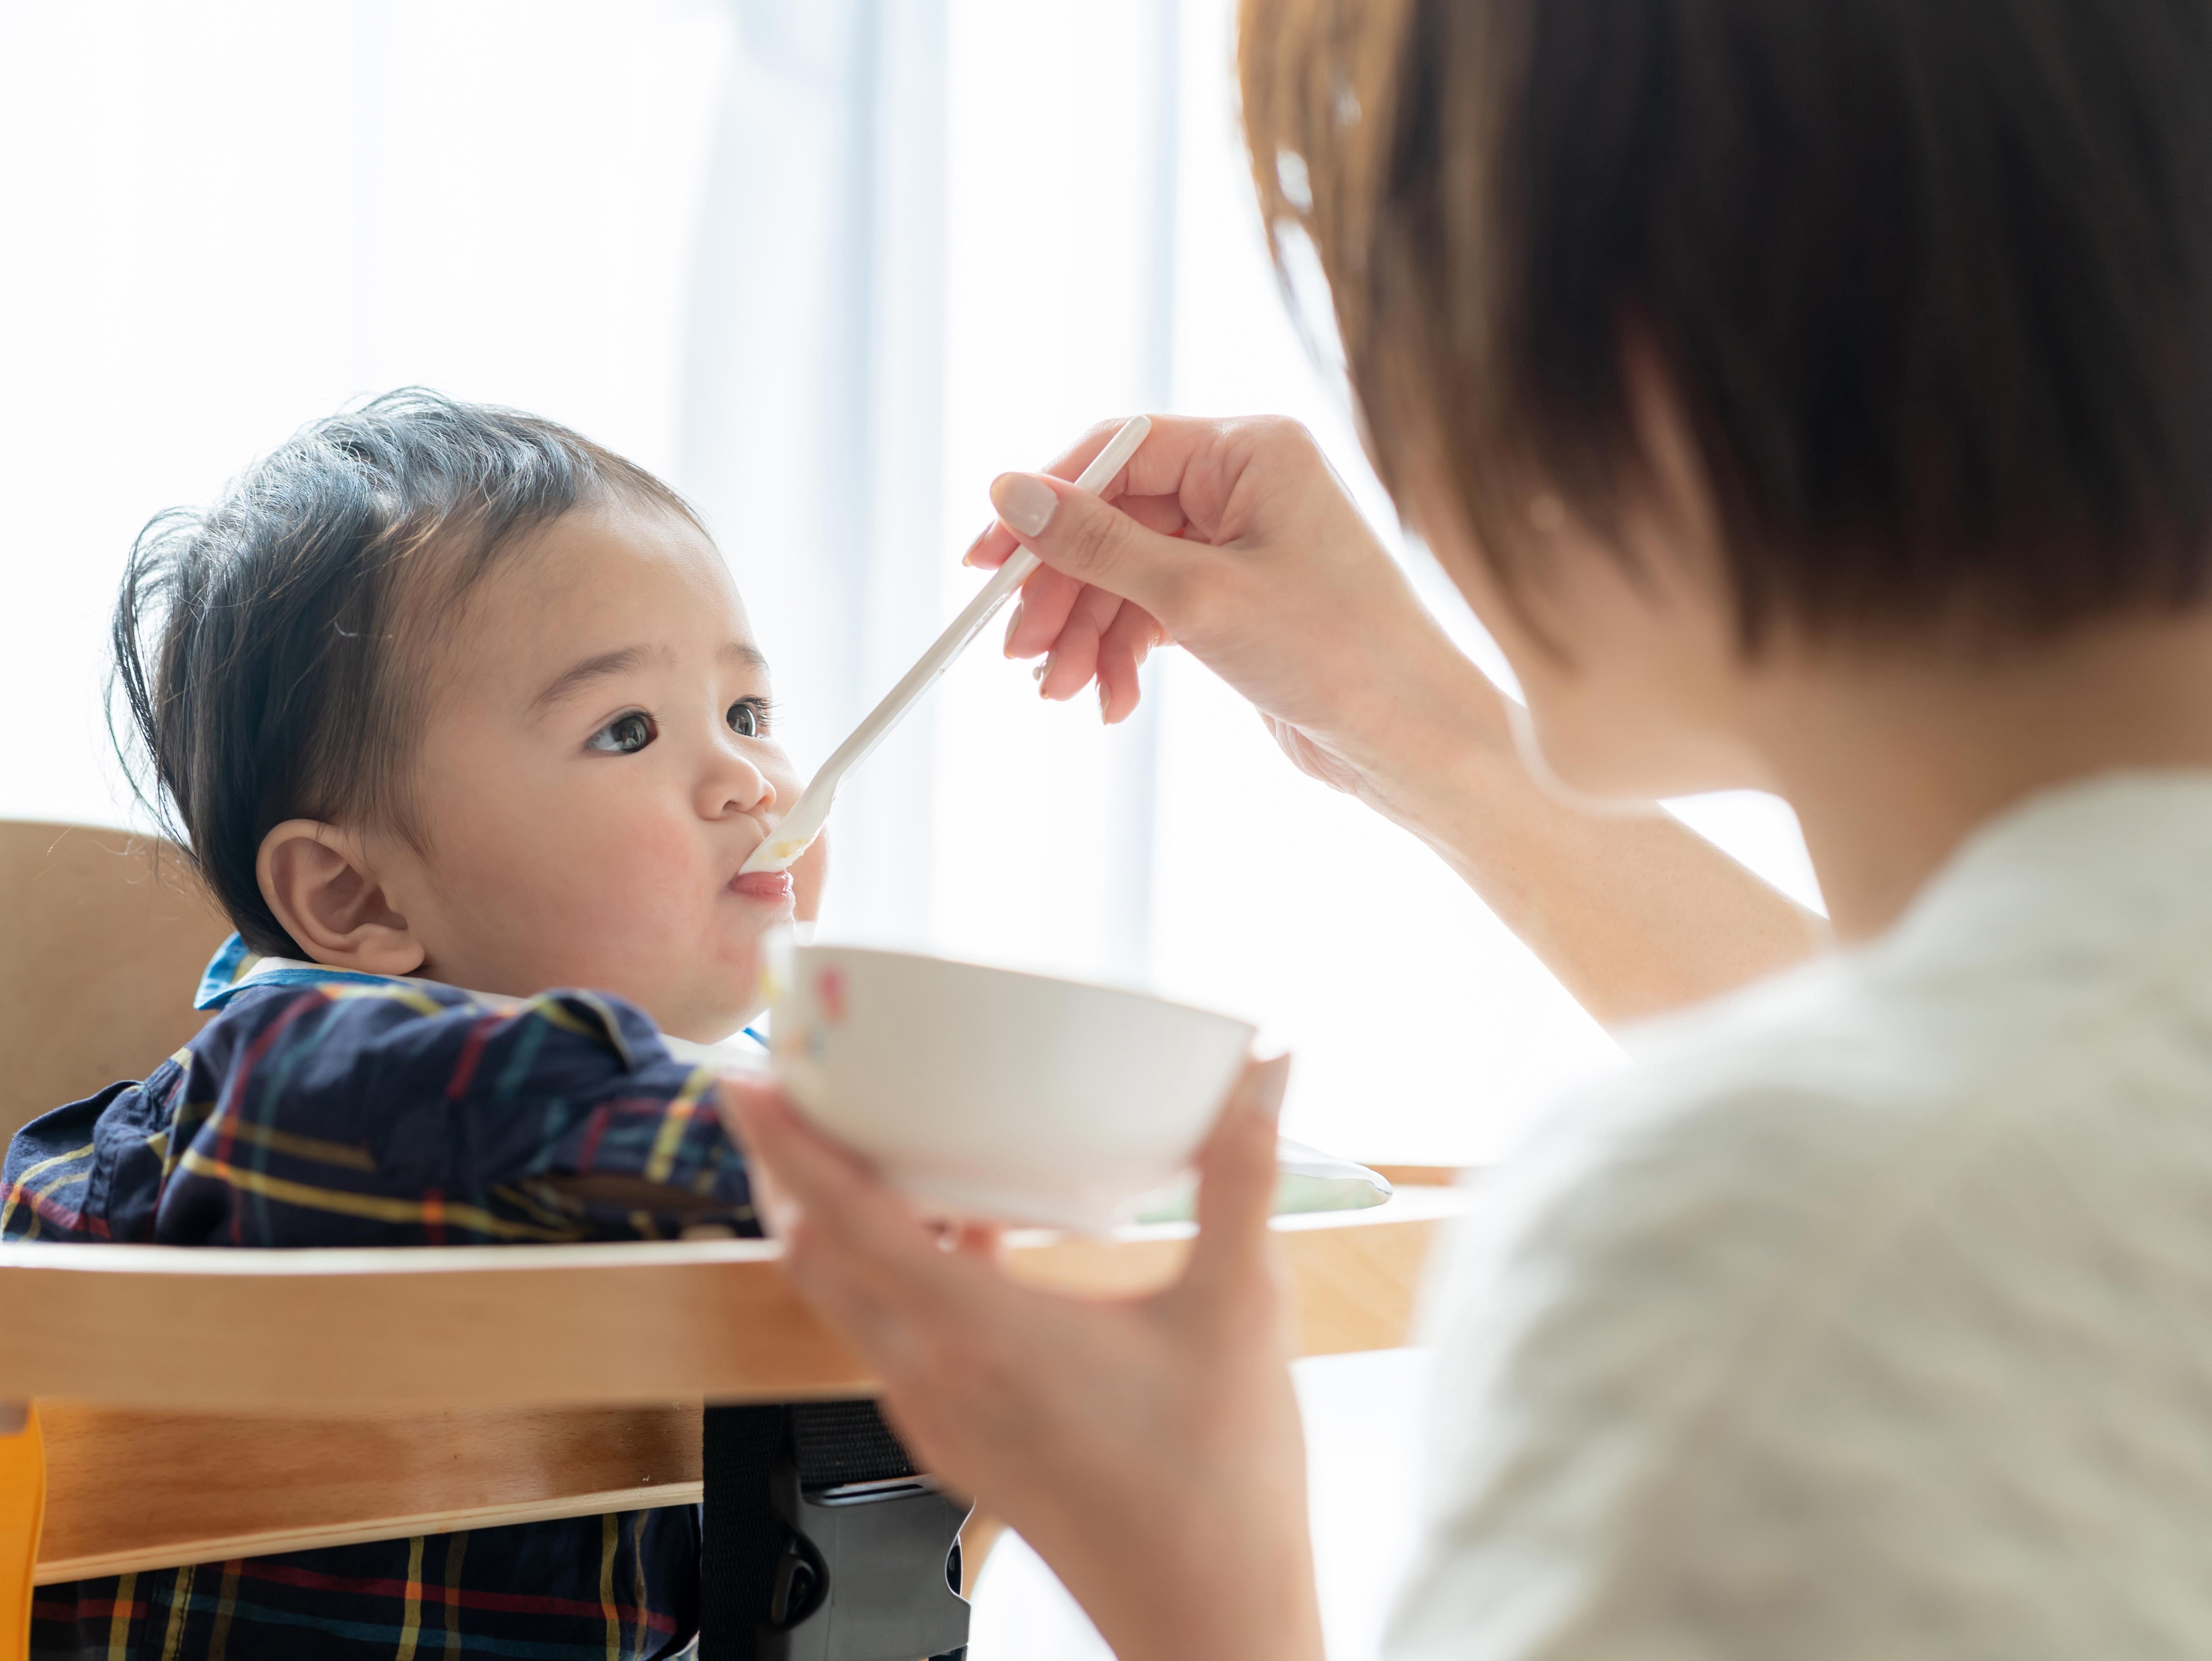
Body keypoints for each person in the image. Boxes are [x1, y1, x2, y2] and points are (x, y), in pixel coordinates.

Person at [723, 0, 2212, 1656]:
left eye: (1407, 311)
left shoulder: (1774, 1242)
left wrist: (1204, 1590)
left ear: (1632, 344)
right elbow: (2024, 1075)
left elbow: (1913, 1164)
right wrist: (1423, 726)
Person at [0, 390, 823, 1660]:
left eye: (748, 714)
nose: (752, 781)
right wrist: (857, 1151)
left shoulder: (718, 1100)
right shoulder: (287, 1097)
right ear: (355, 895)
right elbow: (490, 1109)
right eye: (627, 730)